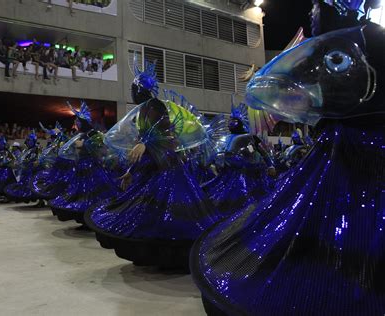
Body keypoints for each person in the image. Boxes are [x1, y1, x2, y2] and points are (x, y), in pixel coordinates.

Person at [190, 1, 385, 314]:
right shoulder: (362, 39)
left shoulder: (357, 42)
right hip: (341, 159)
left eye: (317, 8)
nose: (312, 14)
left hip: (348, 161)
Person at [85, 60, 221, 269]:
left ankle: (170, 259)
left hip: (167, 170)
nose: (131, 92)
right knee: (148, 215)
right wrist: (131, 170)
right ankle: (153, 257)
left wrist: (146, 144)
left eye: (133, 88)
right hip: (152, 168)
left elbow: (166, 135)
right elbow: (146, 142)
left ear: (140, 90)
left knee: (168, 217)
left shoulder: (155, 106)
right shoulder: (142, 111)